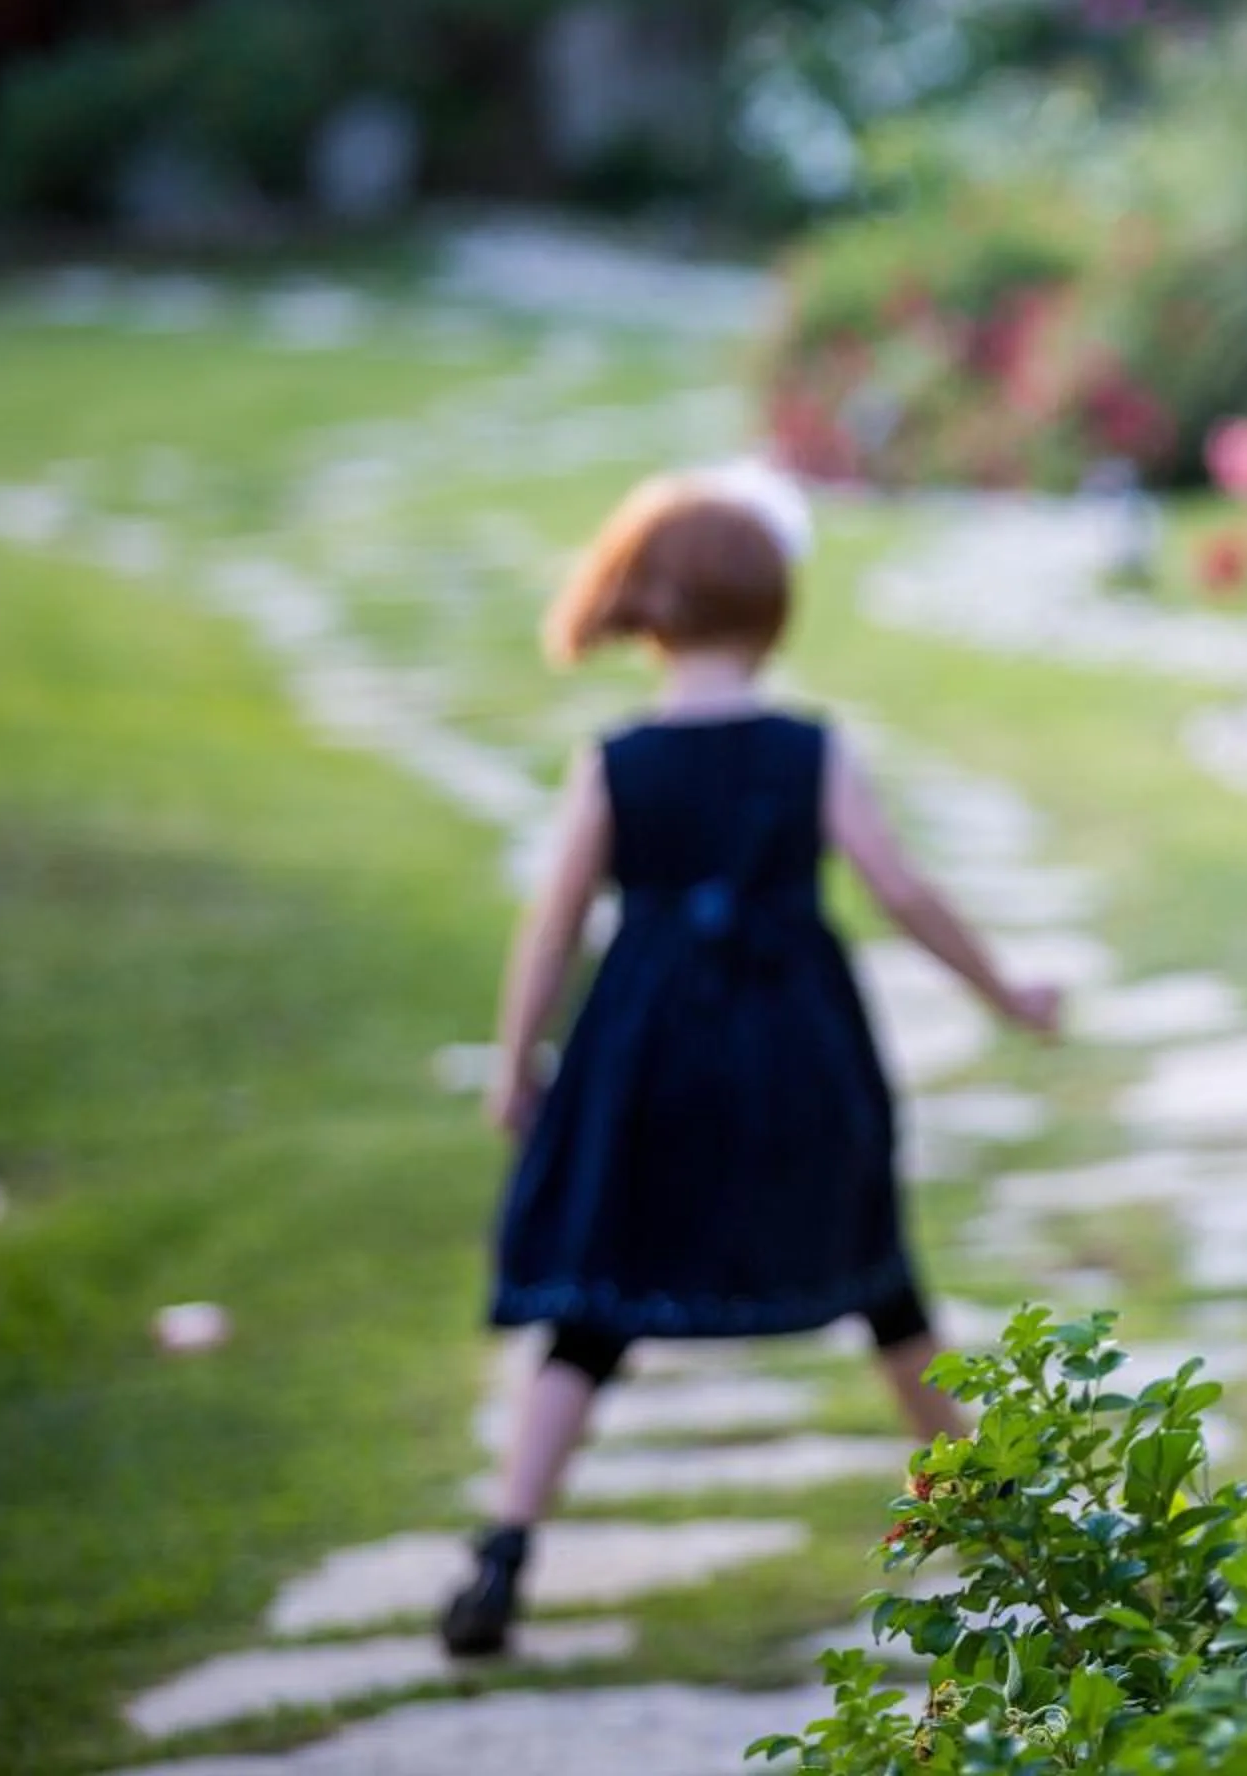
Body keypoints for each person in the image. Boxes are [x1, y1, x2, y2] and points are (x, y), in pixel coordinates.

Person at [442, 467, 1058, 1658]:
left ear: (647, 610)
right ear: (775, 608)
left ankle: (507, 1545)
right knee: (884, 1285)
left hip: (646, 1062)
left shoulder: (617, 761)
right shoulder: (807, 750)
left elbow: (553, 924)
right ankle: (1001, 1523)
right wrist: (1004, 990)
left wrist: (516, 1061)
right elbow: (901, 886)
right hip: (798, 1056)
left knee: (590, 1311)